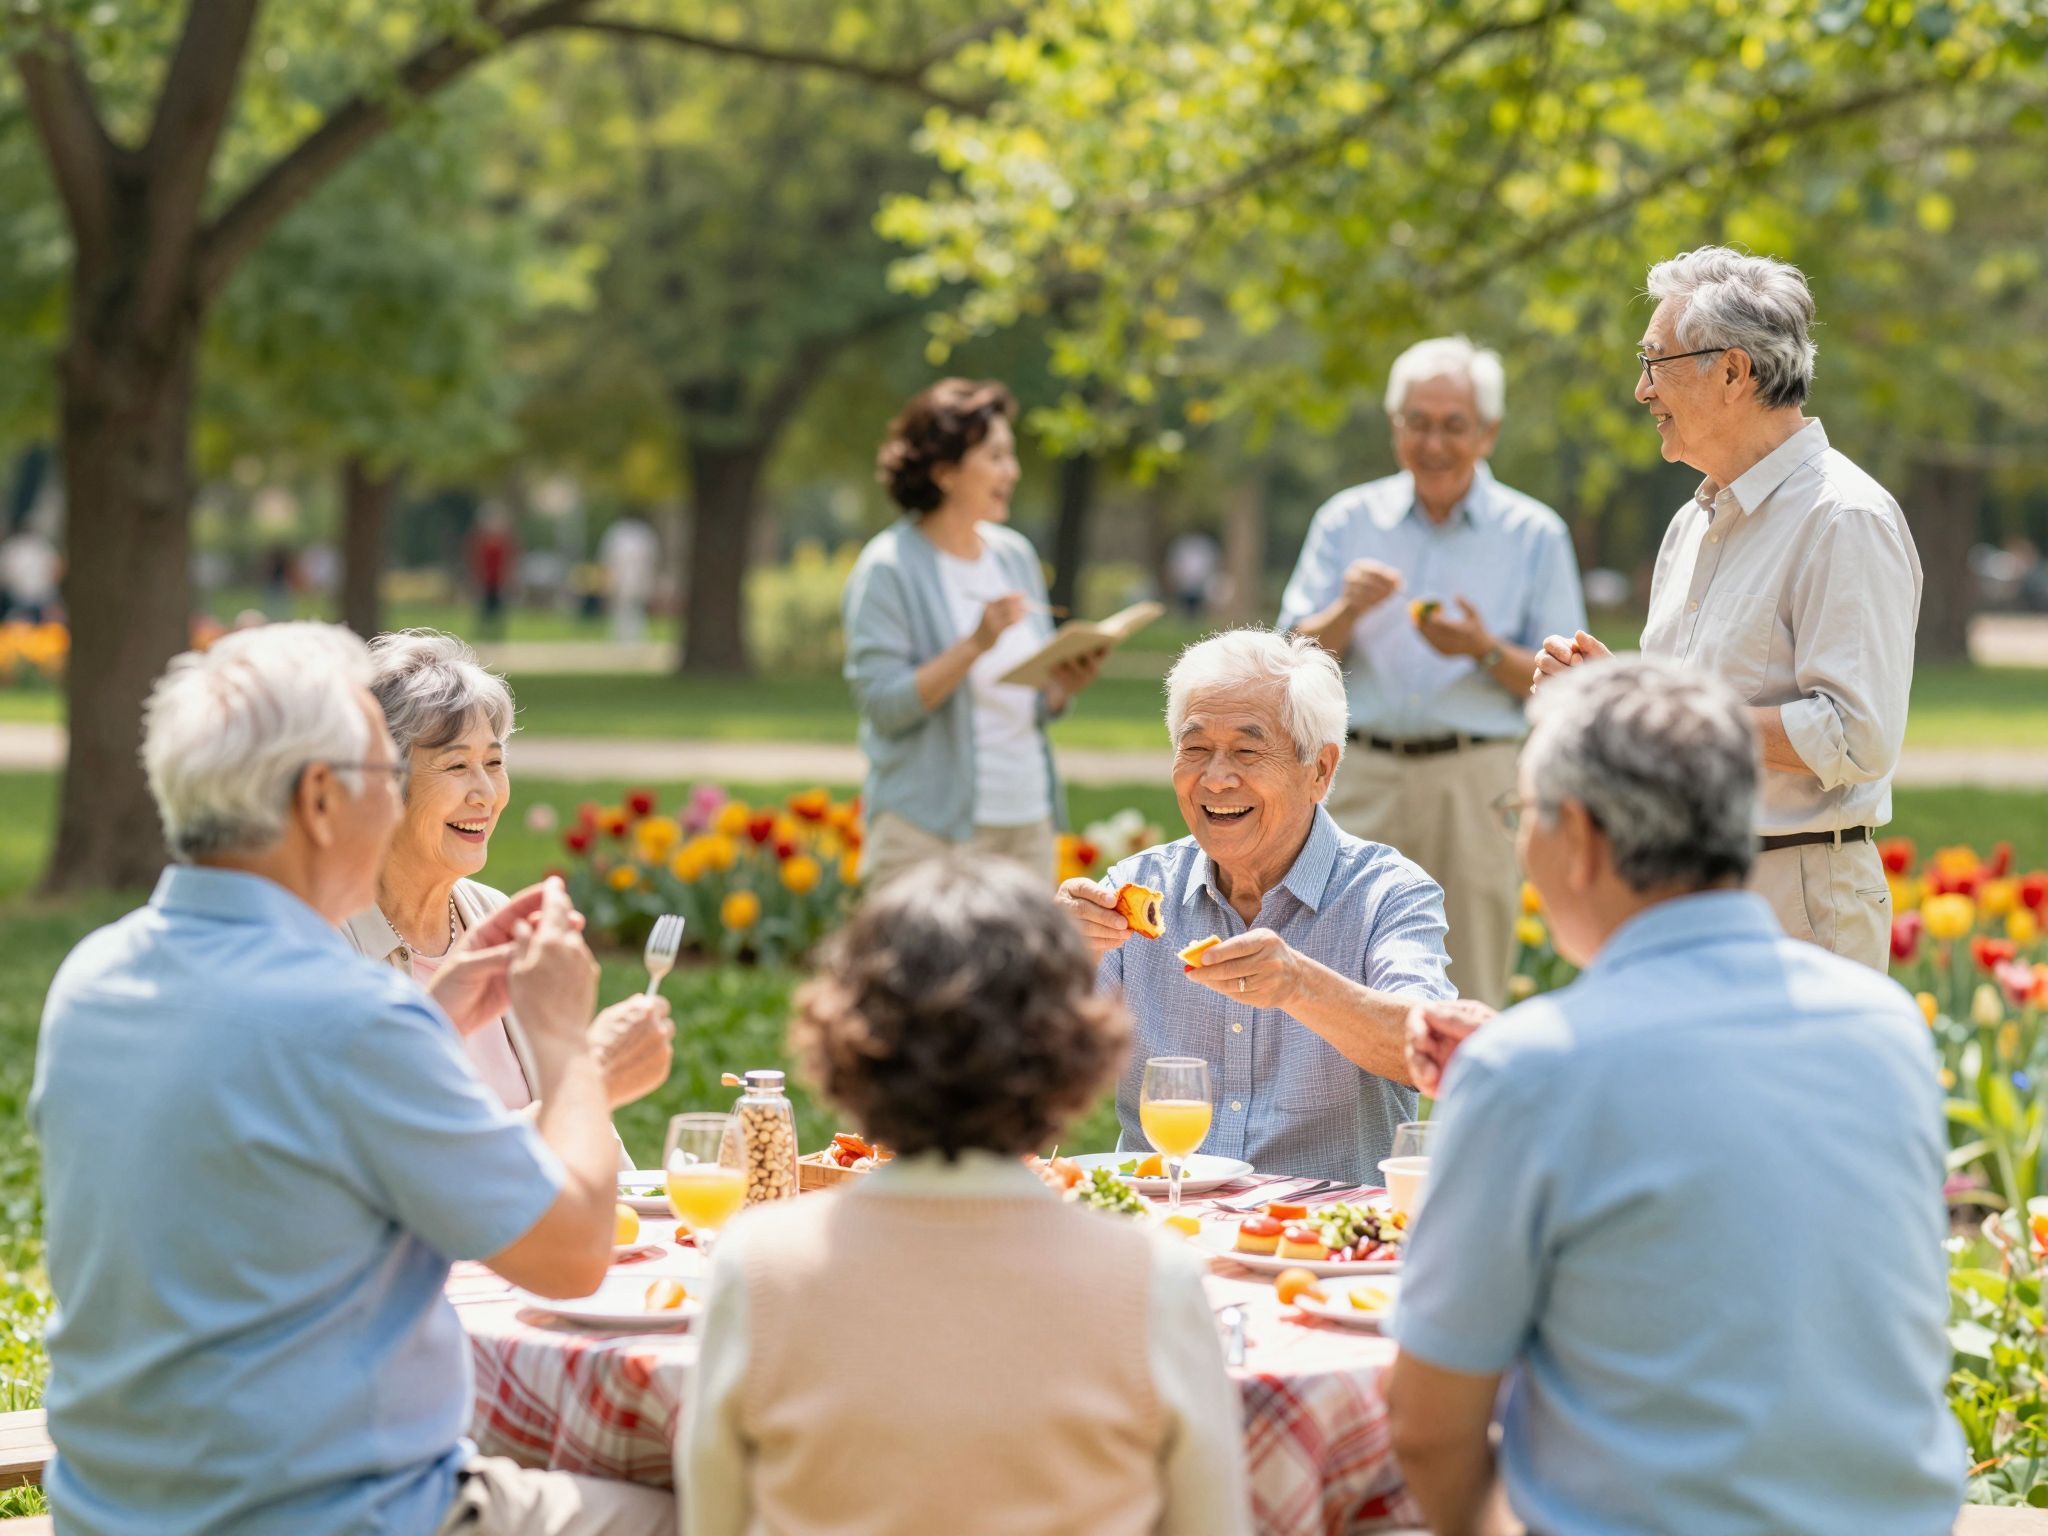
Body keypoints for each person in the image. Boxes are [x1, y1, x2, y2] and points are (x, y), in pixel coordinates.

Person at [31, 623, 674, 1535]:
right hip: (338, 1517)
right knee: (716, 1502)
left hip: (112, 1511)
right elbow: (571, 1255)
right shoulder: (349, 1015)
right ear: (322, 800)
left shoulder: (94, 979)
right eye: (389, 775)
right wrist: (567, 1047)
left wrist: (434, 1013)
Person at [1385, 656, 1962, 1536]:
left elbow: (1428, 1428)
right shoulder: (1885, 1028)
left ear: (1576, 836)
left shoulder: (1533, 1076)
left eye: (1523, 816)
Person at [685, 856, 1251, 1536]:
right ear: (1070, 1048)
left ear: (849, 1038)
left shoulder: (758, 1268)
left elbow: (712, 1522)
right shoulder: (1153, 1280)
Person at [1536, 247, 1920, 972]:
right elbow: (1696, 721)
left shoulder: (1844, 517)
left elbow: (1855, 736)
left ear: (1734, 372)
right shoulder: (1693, 523)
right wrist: (1618, 698)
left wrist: (1666, 723)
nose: (1641, 389)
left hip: (1795, 901)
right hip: (1681, 893)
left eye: (1655, 361)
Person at [1057, 629, 1451, 1184]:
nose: (1216, 778)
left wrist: (1301, 986)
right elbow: (1027, 1062)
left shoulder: (1387, 894)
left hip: (1319, 1244)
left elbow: (1425, 1050)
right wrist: (1045, 958)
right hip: (1166, 1223)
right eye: (1195, 748)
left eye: (1247, 750)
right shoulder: (1137, 888)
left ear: (1320, 770)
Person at [1280, 336, 1585, 1006]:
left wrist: (1481, 648)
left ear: (1488, 433)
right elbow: (1289, 665)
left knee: (1469, 987)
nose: (1434, 443)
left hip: (1476, 782)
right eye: (1417, 423)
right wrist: (1345, 611)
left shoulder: (1534, 534)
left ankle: (1462, 1115)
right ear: (1395, 428)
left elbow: (1568, 685)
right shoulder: (1346, 520)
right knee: (1332, 980)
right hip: (1357, 774)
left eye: (1454, 426)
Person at [340, 630, 670, 1164]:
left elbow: (596, 1154)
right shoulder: (330, 945)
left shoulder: (496, 918)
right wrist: (591, 1082)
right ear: (383, 785)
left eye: (493, 763)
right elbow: (398, 1163)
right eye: (455, 766)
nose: (487, 794)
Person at [844, 378, 1106, 888]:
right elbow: (883, 707)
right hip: (928, 829)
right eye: (996, 456)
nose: (1012, 471)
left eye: (1011, 455)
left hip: (1026, 816)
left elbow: (1019, 697)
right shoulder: (889, 568)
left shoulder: (1013, 555)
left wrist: (1060, 690)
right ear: (944, 472)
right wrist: (974, 646)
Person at [598, 515, 659, 642]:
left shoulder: (637, 534)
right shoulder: (619, 534)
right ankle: (621, 636)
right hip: (622, 576)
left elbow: (650, 560)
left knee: (635, 607)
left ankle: (634, 637)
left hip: (635, 576)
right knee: (621, 607)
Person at [467, 509, 517, 641]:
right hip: (486, 580)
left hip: (498, 581)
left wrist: (507, 578)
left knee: (498, 607)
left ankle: (496, 634)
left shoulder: (502, 542)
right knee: (484, 607)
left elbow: (508, 561)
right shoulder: (483, 542)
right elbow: (477, 561)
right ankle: (483, 632)